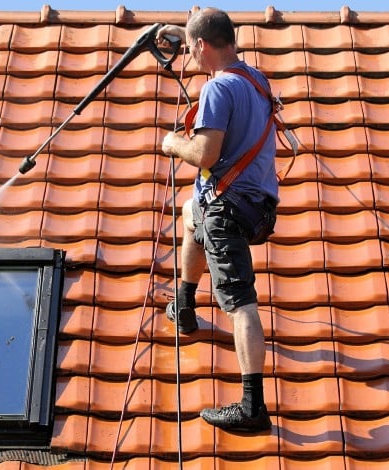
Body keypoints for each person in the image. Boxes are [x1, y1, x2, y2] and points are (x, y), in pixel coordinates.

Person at [157, 7, 279, 432]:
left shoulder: (217, 89)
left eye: (191, 47)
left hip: (230, 208)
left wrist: (174, 143)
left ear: (202, 46)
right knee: (192, 212)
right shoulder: (255, 80)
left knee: (239, 302)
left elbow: (205, 155)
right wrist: (181, 31)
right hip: (260, 205)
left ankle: (252, 406)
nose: (188, 54)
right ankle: (185, 305)